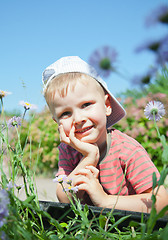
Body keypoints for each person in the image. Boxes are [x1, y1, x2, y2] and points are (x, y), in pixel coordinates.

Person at [42, 56, 168, 213]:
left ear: (107, 105)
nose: (79, 119)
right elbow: (65, 199)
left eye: (86, 105)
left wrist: (106, 201)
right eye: (65, 113)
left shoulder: (126, 150)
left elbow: (162, 202)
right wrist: (88, 158)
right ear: (57, 122)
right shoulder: (68, 150)